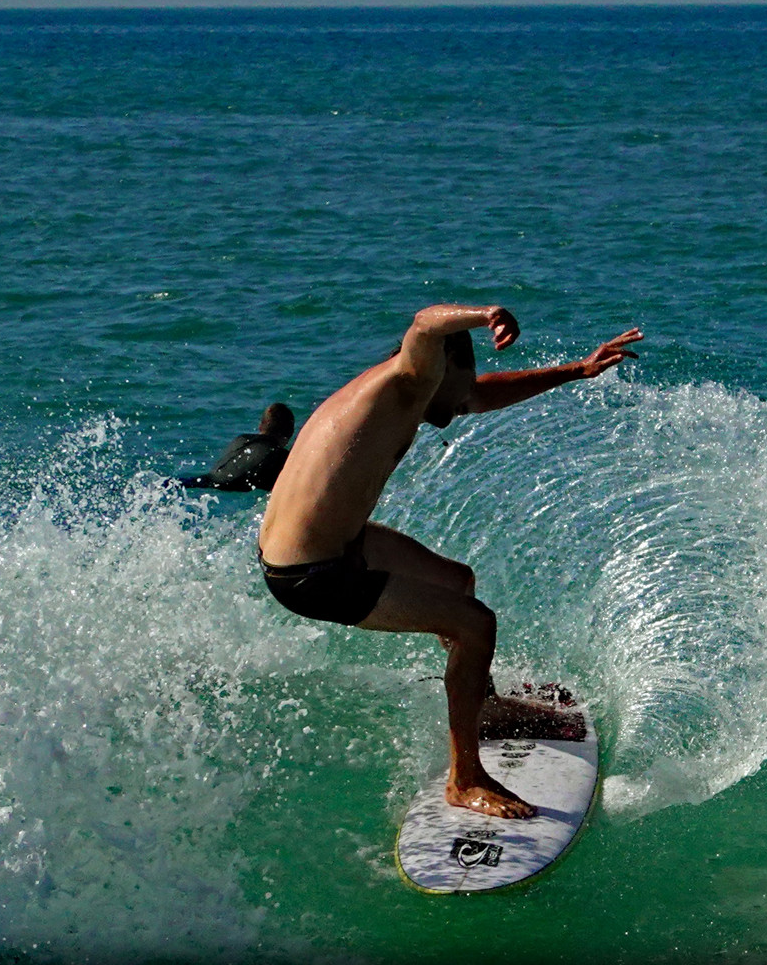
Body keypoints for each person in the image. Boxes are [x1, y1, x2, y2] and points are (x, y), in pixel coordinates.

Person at [258, 305, 643, 818]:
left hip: (332, 544)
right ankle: (464, 778)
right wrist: (486, 315)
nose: (466, 401)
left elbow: (482, 393)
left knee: (456, 581)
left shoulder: (413, 392)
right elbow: (423, 323)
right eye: (462, 384)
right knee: (475, 626)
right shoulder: (409, 376)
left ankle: (486, 708)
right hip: (310, 573)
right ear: (439, 367)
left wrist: (577, 370)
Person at [176, 403, 294, 492]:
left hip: (201, 481)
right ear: (289, 434)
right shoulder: (281, 457)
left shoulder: (242, 439)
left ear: (260, 426)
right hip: (222, 489)